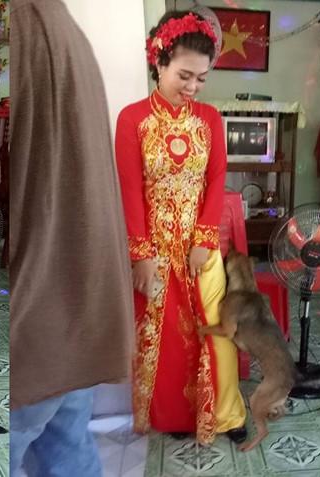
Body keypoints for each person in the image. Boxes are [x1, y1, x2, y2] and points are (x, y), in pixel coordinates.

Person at [9, 0, 133, 475]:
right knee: (68, 450)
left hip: (39, 324)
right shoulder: (65, 29)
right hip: (77, 310)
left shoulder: (25, 22)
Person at [115, 11, 247, 445]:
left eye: (201, 79)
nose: (192, 87)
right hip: (154, 247)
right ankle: (177, 416)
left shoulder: (209, 119)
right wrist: (141, 255)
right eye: (184, 75)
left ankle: (227, 415)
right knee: (165, 336)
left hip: (199, 247)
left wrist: (205, 239)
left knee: (217, 329)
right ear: (159, 63)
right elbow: (130, 190)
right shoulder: (133, 119)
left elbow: (216, 179)